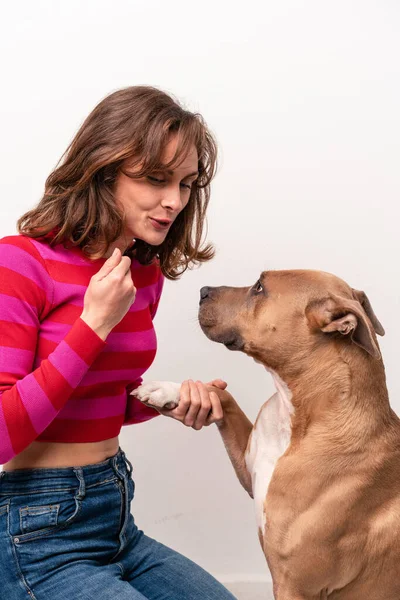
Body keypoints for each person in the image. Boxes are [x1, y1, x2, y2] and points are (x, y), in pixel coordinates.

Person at [0, 86, 237, 599]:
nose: (174, 200)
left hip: (116, 518)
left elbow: (96, 397)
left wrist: (166, 401)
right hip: (34, 531)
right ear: (103, 169)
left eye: (186, 183)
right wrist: (93, 326)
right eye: (155, 179)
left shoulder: (140, 276)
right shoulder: (20, 263)